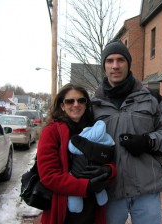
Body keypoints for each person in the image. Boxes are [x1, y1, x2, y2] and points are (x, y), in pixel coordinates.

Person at [91, 40, 162, 224]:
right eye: (110, 60)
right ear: (104, 66)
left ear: (128, 64)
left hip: (146, 191)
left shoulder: (152, 98)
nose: (115, 66)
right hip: (110, 191)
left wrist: (148, 141)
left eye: (121, 60)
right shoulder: (93, 105)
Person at [37, 83, 117, 224]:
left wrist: (108, 171)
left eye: (81, 100)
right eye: (70, 101)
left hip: (93, 209)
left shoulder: (95, 129)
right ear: (62, 106)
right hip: (63, 209)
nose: (76, 104)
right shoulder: (52, 131)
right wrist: (86, 186)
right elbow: (49, 176)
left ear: (86, 104)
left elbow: (108, 156)